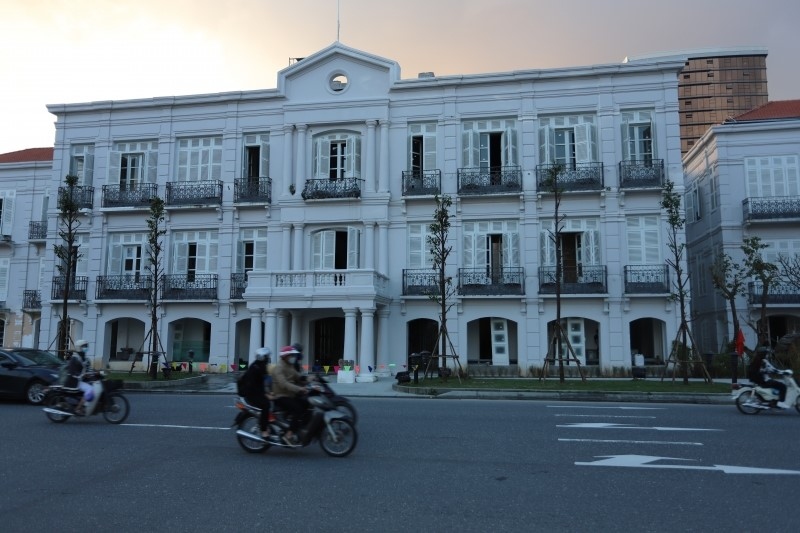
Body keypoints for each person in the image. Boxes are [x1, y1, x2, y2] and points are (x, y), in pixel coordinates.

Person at [272, 345, 308, 445]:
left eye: (293, 355)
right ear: (285, 356)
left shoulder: (289, 366)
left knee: (307, 403)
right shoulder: (279, 368)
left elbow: (298, 377)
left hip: (290, 394)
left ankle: (298, 426)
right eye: (291, 355)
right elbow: (284, 384)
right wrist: (299, 389)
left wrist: (310, 380)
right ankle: (288, 435)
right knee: (298, 409)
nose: (293, 357)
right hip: (281, 395)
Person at [238, 347, 273, 440]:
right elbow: (253, 386)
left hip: (255, 392)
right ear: (262, 357)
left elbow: (264, 383)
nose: (268, 358)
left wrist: (269, 392)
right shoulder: (256, 368)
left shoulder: (260, 366)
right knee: (266, 405)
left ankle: (271, 424)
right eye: (266, 357)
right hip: (251, 394)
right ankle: (264, 430)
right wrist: (266, 394)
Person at [67, 340, 94, 415]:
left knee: (94, 385)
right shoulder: (74, 359)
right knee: (90, 389)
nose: (86, 348)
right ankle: (78, 408)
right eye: (84, 346)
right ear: (79, 347)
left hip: (82, 380)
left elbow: (89, 369)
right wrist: (83, 375)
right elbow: (72, 372)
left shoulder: (85, 358)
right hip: (74, 381)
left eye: (86, 346)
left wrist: (96, 373)